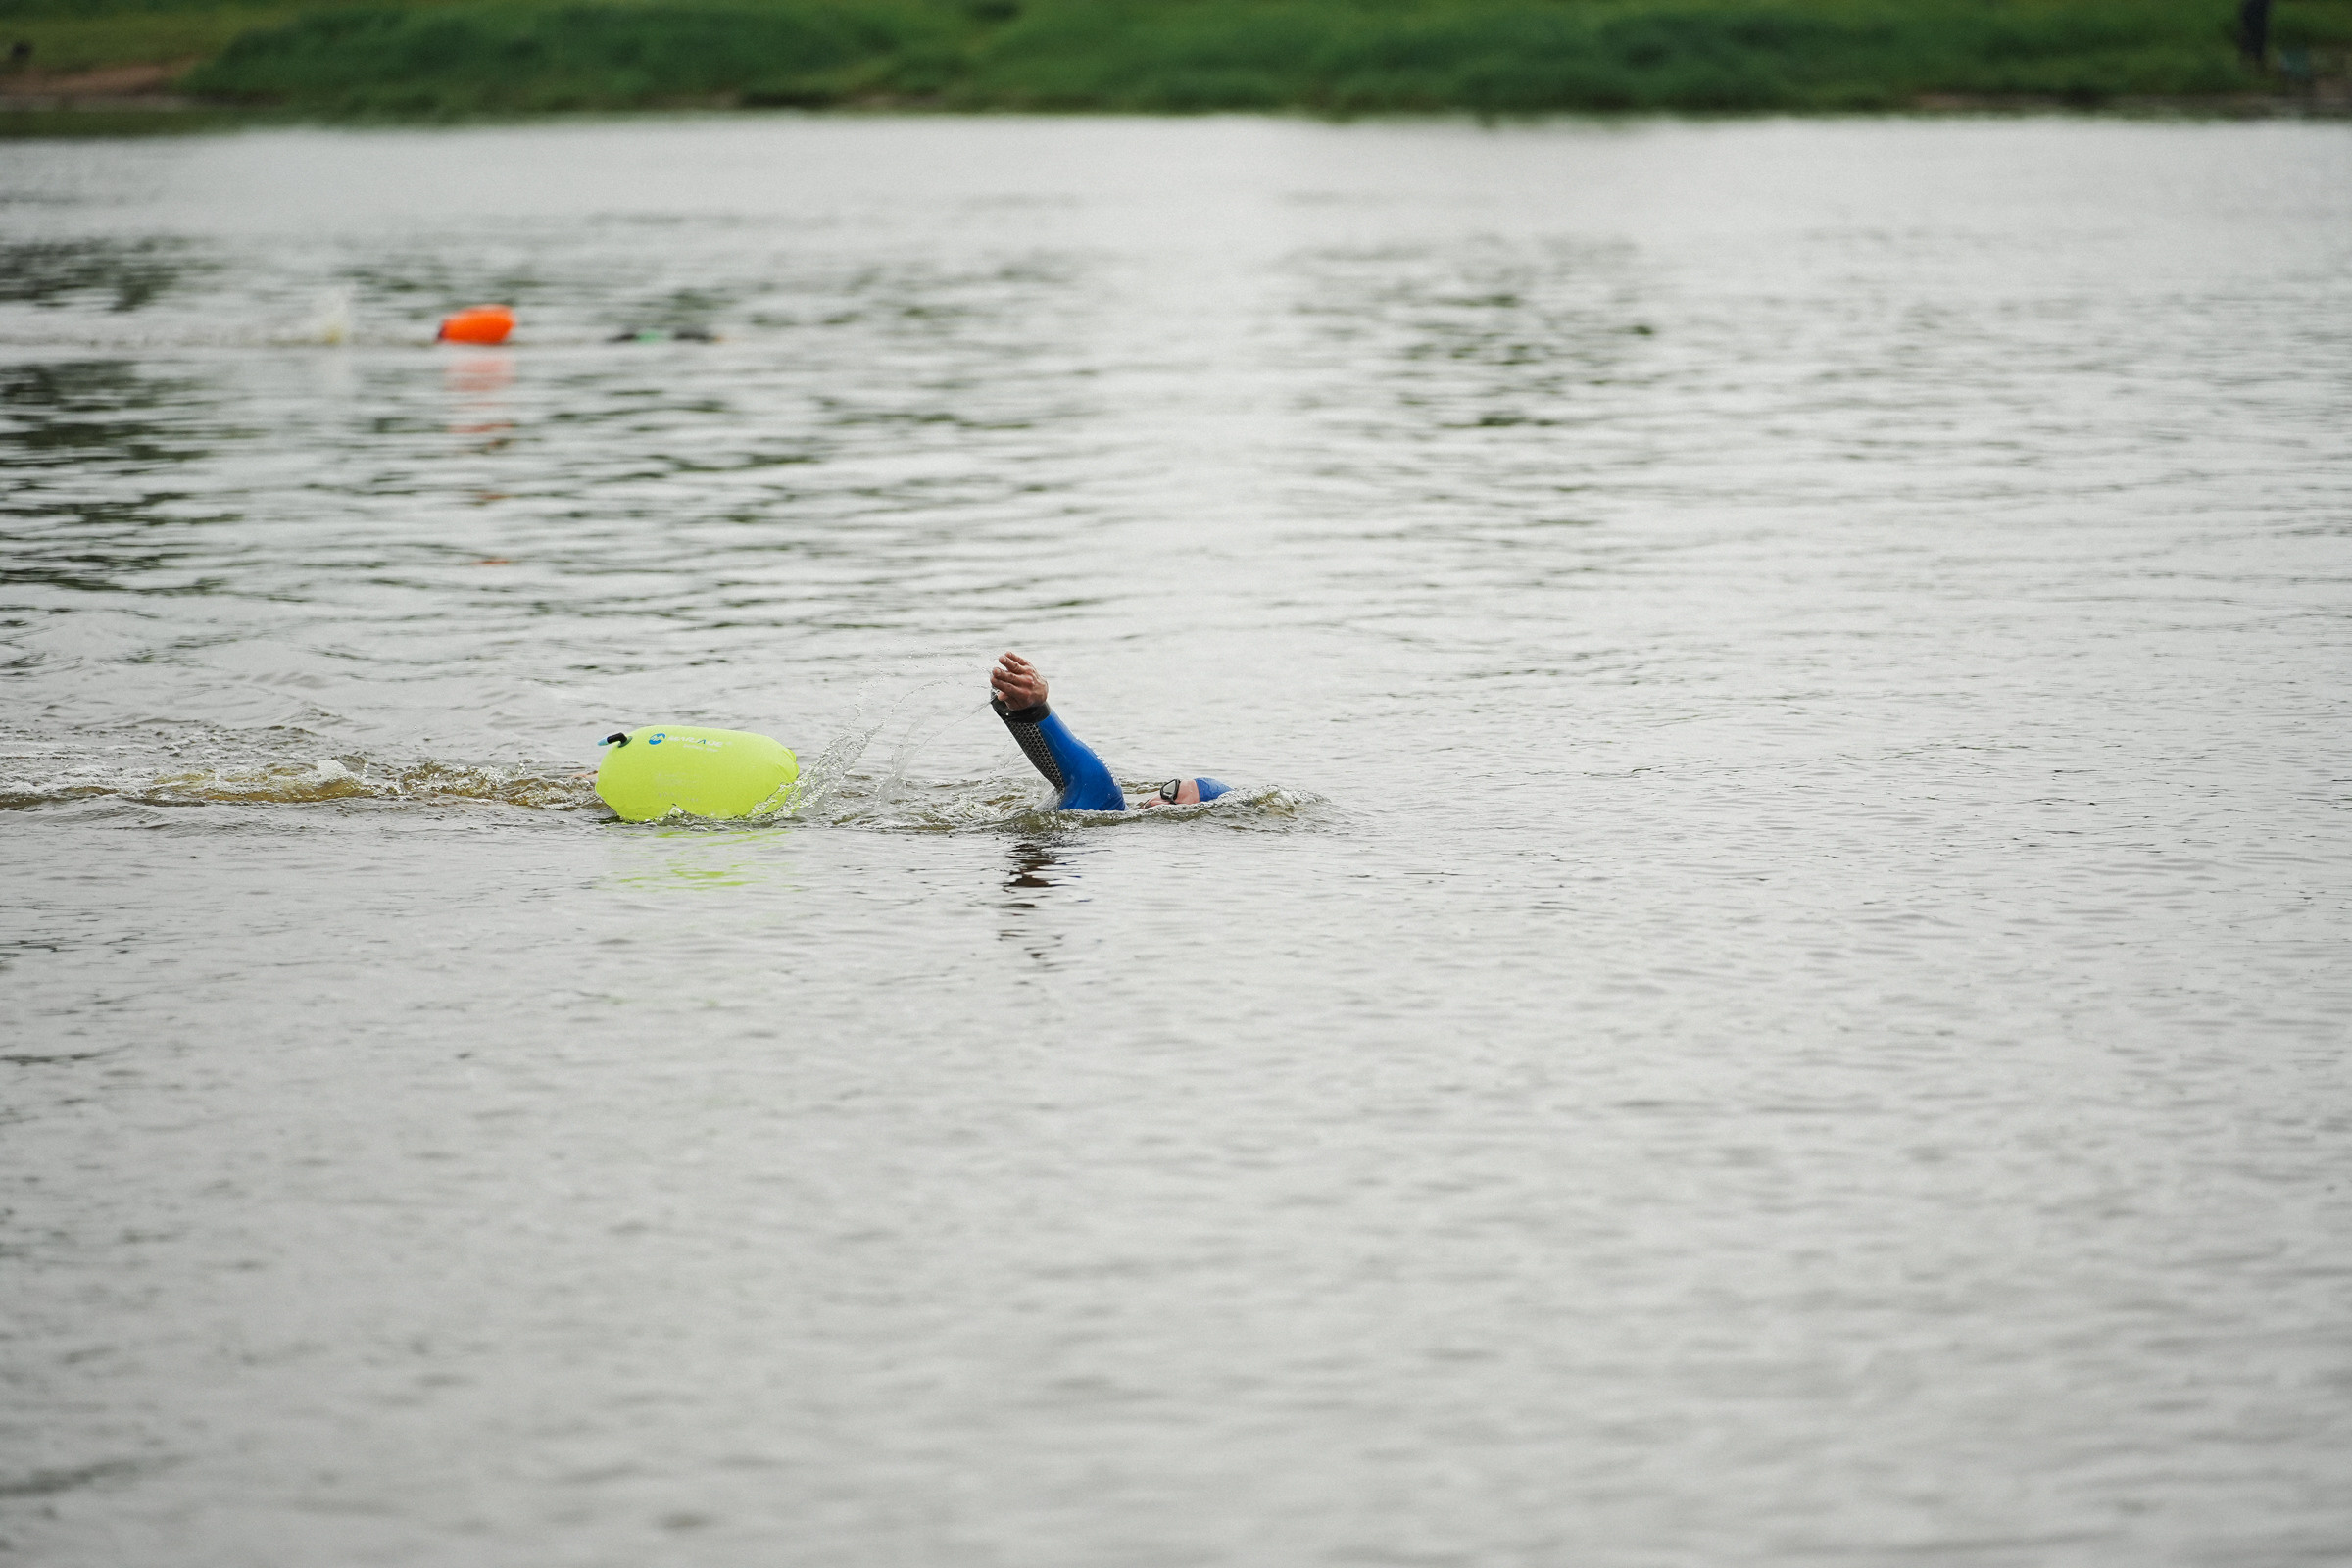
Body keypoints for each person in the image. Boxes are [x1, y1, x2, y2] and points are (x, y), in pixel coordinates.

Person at [989, 652, 1230, 811]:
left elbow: (1086, 772)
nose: (1159, 795)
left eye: (1172, 792)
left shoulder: (1106, 797)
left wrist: (1033, 706)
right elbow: (1005, 703)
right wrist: (1018, 700)